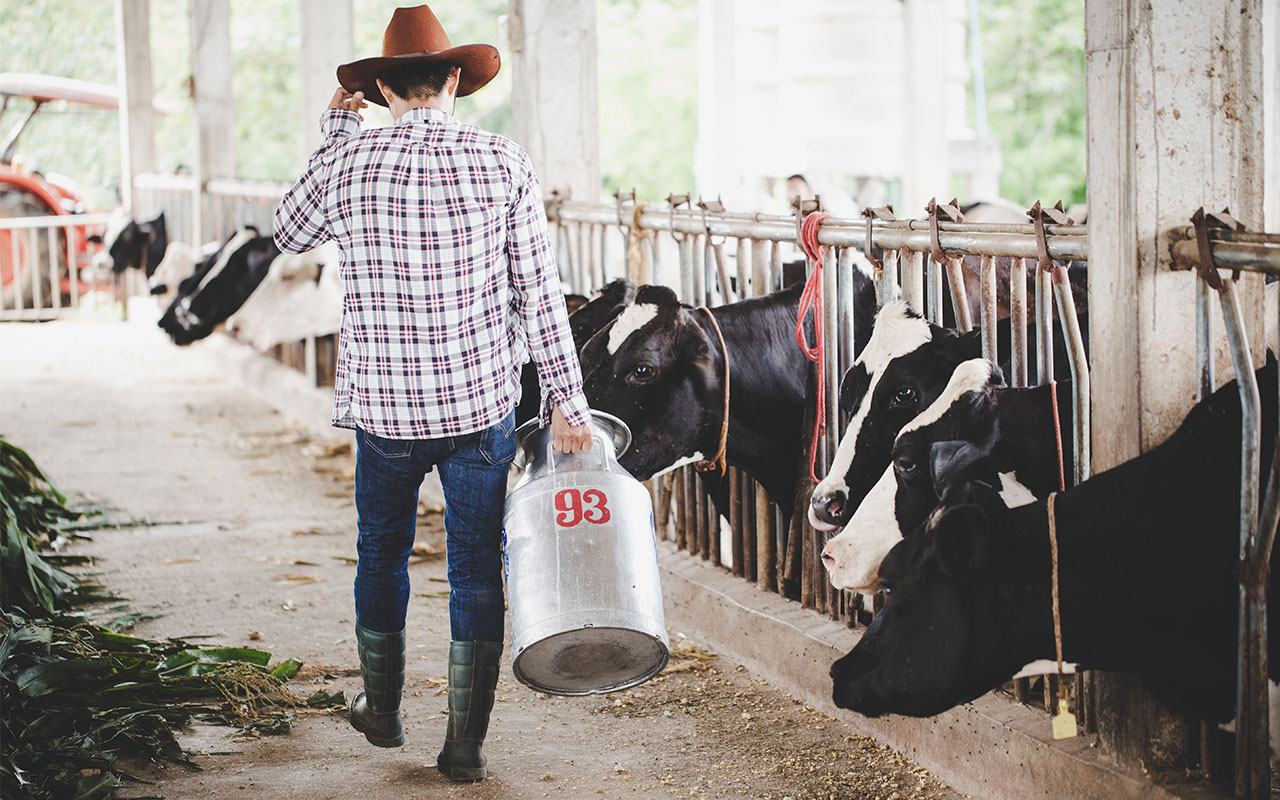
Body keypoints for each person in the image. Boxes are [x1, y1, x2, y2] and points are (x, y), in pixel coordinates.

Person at [272, 4, 593, 783]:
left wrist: (335, 133)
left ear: (382, 90)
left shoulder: (350, 164)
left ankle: (380, 709)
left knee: (380, 553)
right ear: (454, 79)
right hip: (479, 406)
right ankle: (465, 744)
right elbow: (539, 294)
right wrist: (568, 403)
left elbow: (285, 232)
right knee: (476, 567)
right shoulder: (503, 162)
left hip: (384, 413)